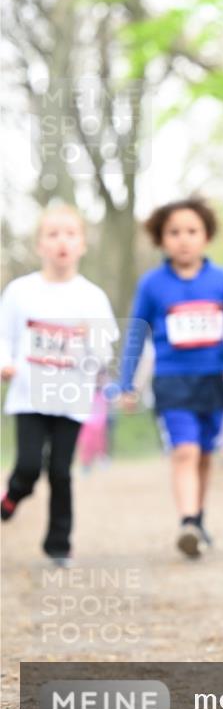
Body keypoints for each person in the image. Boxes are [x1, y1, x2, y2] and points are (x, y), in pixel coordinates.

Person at [119, 198, 223, 558]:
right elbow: (136, 334)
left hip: (213, 379)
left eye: (192, 231)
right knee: (185, 450)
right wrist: (126, 381)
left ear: (206, 236)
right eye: (174, 232)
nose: (183, 239)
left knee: (205, 455)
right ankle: (186, 522)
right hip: (172, 380)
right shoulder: (152, 285)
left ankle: (197, 518)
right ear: (161, 239)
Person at [0, 205, 118, 566]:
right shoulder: (21, 291)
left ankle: (58, 544)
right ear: (39, 245)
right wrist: (5, 362)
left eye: (70, 234)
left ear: (82, 244)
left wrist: (88, 338)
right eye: (53, 234)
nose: (61, 241)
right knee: (29, 466)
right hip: (29, 395)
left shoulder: (92, 297)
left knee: (61, 472)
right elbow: (5, 335)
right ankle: (13, 495)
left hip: (72, 397)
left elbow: (104, 353)